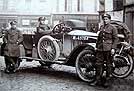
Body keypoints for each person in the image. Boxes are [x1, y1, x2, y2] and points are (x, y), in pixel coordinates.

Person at [91, 14, 118, 88]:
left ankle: (107, 81)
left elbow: (116, 39)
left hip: (108, 49)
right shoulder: (102, 27)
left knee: (109, 65)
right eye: (104, 19)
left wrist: (113, 48)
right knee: (98, 64)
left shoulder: (113, 28)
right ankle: (97, 80)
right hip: (100, 49)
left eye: (106, 19)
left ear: (109, 20)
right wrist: (96, 47)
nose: (105, 20)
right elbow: (99, 39)